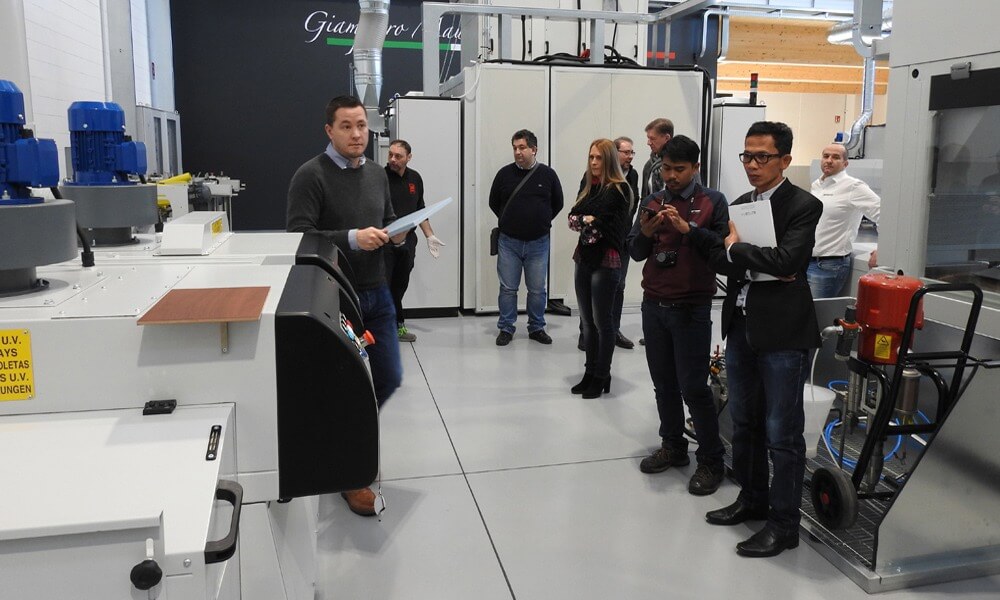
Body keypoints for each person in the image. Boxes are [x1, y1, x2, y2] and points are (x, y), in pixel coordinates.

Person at [687, 121, 822, 558]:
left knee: (782, 432)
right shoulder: (743, 204)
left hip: (782, 331)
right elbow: (726, 262)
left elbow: (788, 261)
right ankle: (752, 498)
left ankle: (784, 524)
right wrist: (741, 254)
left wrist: (739, 249)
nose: (752, 164)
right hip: (742, 324)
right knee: (744, 421)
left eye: (762, 156)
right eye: (747, 155)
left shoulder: (803, 205)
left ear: (785, 160)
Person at [287, 95, 409, 517]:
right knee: (347, 386)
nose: (358, 134)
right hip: (335, 295)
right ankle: (350, 471)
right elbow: (299, 237)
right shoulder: (310, 176)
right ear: (329, 130)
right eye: (347, 126)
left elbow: (387, 219)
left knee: (388, 377)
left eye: (362, 126)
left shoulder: (376, 174)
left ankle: (344, 444)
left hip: (377, 292)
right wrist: (353, 238)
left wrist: (398, 234)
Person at [630, 135, 729, 495]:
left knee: (694, 388)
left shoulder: (712, 201)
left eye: (679, 169)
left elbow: (722, 250)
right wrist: (646, 231)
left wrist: (690, 230)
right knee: (664, 385)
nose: (671, 176)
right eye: (666, 169)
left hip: (691, 307)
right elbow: (635, 251)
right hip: (654, 305)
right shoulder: (651, 202)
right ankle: (673, 445)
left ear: (696, 168)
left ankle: (712, 460)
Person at [568, 139, 631, 398]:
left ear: (609, 160)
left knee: (603, 323)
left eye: (599, 158)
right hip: (584, 257)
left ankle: (602, 375)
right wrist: (588, 219)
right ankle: (590, 372)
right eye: (591, 157)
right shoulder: (589, 185)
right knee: (587, 322)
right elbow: (572, 218)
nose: (594, 162)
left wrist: (587, 219)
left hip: (607, 260)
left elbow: (604, 222)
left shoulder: (619, 190)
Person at [489, 129, 564, 346]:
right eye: (514, 148)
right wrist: (512, 220)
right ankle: (506, 328)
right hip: (509, 242)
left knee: (537, 290)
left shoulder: (548, 175)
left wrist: (540, 221)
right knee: (508, 289)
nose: (517, 152)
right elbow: (494, 202)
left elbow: (558, 203)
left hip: (538, 242)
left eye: (522, 147)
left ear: (534, 149)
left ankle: (537, 328)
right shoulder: (504, 174)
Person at [384, 139, 445, 342]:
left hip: (408, 243)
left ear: (409, 157)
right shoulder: (380, 178)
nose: (393, 159)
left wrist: (430, 236)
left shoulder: (415, 179)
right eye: (390, 154)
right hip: (384, 243)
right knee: (384, 286)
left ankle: (396, 326)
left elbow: (420, 210)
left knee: (399, 285)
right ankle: (388, 328)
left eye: (398, 156)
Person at [807, 143, 880, 297]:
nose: (829, 160)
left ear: (845, 163)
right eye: (826, 156)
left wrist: (883, 249)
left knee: (818, 311)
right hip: (806, 260)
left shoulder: (854, 187)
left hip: (828, 265)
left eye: (835, 157)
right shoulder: (817, 185)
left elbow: (884, 214)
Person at [612, 136, 639, 349]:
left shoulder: (634, 174)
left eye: (632, 152)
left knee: (619, 286)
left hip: (624, 240)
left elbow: (634, 202)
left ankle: (614, 330)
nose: (630, 156)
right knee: (596, 287)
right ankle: (588, 332)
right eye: (626, 152)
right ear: (615, 153)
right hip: (604, 240)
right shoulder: (602, 173)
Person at [641, 118, 674, 199]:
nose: (648, 143)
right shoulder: (649, 165)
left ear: (667, 138)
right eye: (648, 138)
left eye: (652, 139)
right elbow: (644, 197)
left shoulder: (682, 163)